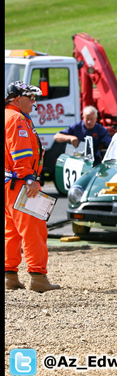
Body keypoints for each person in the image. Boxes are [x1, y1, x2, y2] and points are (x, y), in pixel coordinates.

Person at [5, 81, 60, 292]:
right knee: (34, 230)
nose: (34, 102)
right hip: (19, 182)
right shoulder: (17, 119)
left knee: (12, 232)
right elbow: (20, 153)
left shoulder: (8, 115)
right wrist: (30, 179)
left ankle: (10, 276)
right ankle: (38, 277)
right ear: (16, 98)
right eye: (30, 97)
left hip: (8, 183)